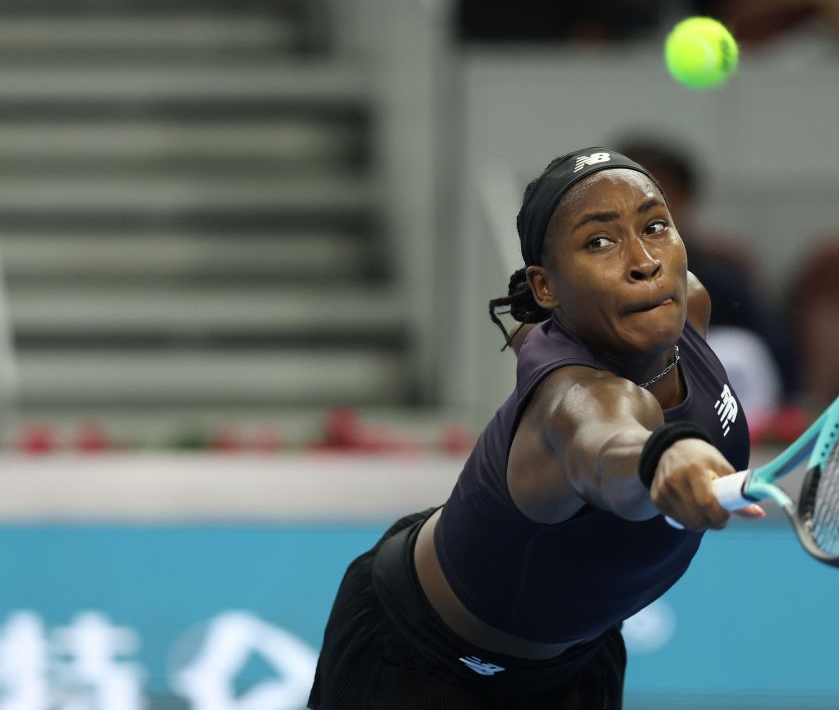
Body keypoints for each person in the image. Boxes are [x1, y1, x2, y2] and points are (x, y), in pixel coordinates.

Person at [308, 147, 764, 708]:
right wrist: (666, 456)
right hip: (419, 665)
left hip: (576, 663)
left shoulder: (685, 302)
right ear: (545, 286)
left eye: (655, 226)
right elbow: (606, 448)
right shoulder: (575, 400)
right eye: (600, 242)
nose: (645, 261)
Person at [616, 138, 800, 415]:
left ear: (686, 200)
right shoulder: (583, 280)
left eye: (656, 195)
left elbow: (777, 362)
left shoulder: (720, 278)